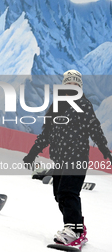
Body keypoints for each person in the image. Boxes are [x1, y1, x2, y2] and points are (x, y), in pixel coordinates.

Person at [23, 70, 112, 247]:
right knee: (59, 195)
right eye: (68, 85)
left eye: (75, 85)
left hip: (77, 157)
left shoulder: (84, 106)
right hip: (60, 160)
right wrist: (32, 153)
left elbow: (95, 130)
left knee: (68, 192)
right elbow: (46, 134)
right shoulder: (56, 107)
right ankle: (78, 225)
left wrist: (105, 150)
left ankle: (73, 231)